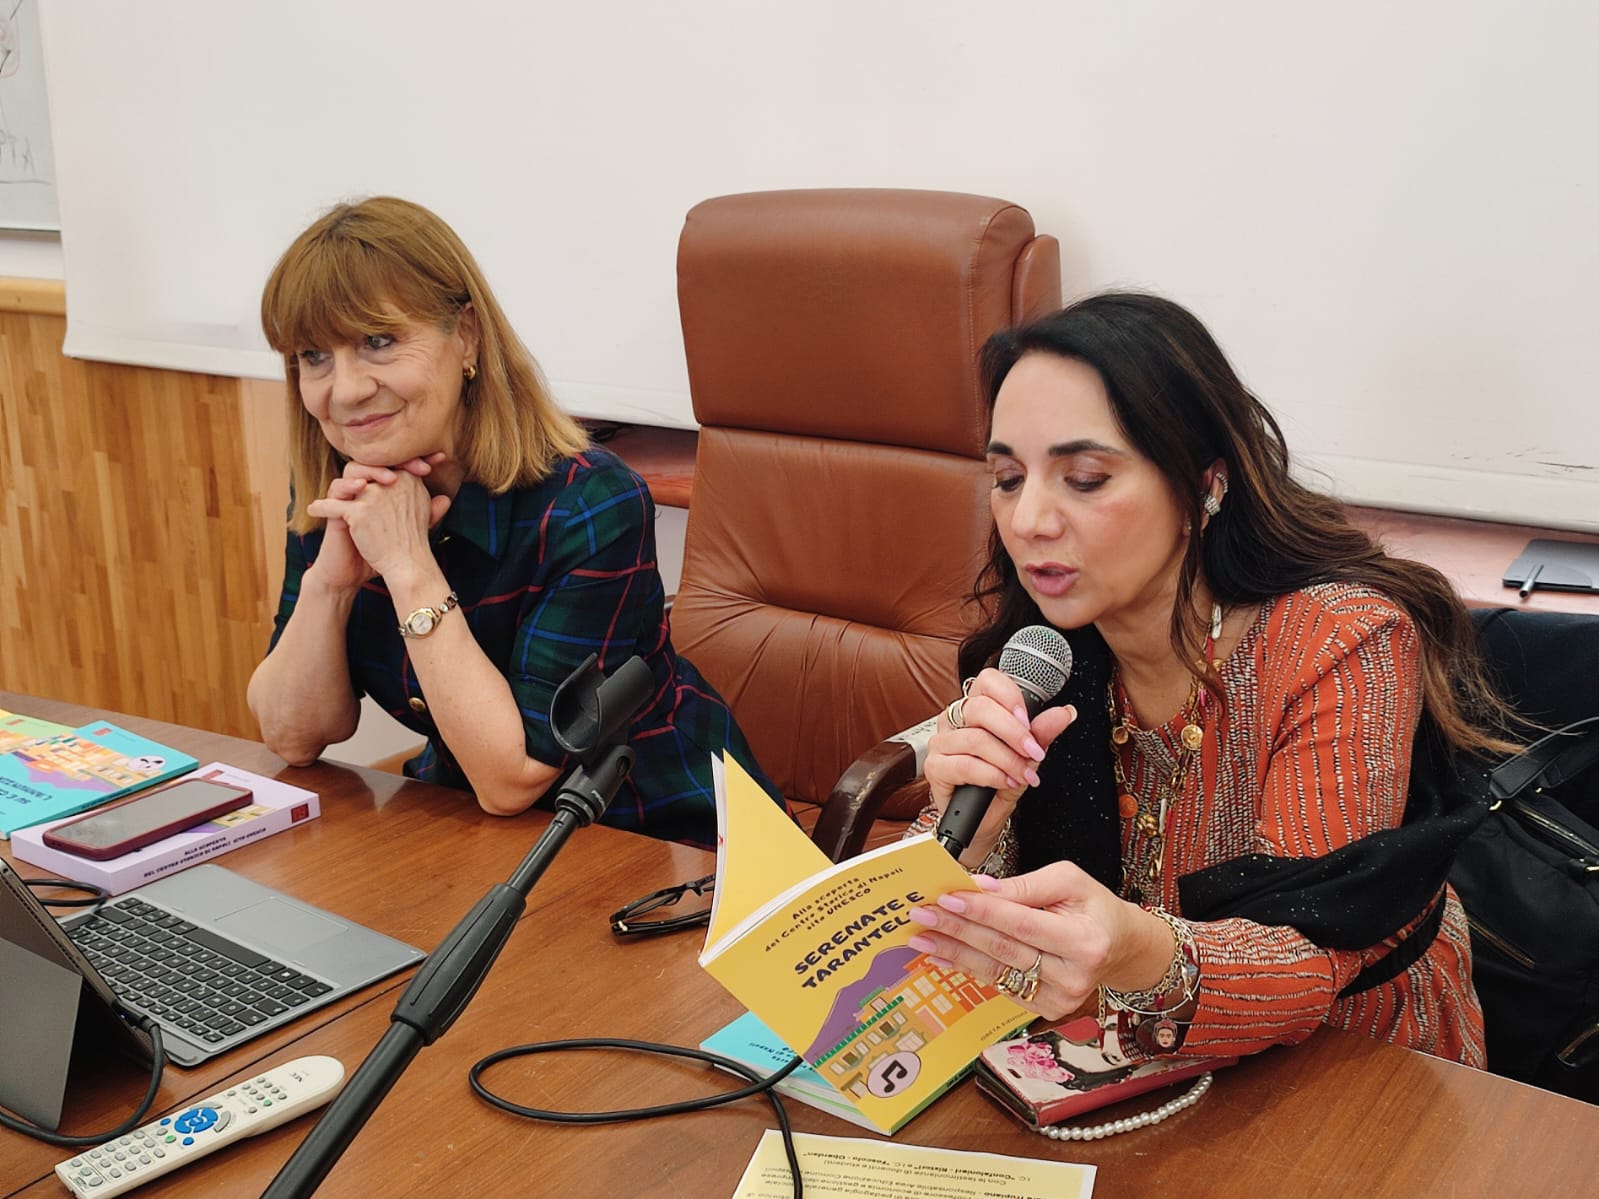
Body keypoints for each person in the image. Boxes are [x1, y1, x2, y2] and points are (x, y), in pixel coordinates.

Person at [903, 292, 1518, 1067]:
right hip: (1117, 1043)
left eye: (1083, 478)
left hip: (1350, 1062)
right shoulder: (1042, 652)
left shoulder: (1338, 642)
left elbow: (1312, 949)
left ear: (1205, 485)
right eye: (1007, 478)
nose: (1028, 520)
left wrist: (1137, 951)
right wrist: (967, 835)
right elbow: (916, 939)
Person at [246, 196, 780, 849]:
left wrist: (409, 566)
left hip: (658, 838)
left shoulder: (589, 502)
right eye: (314, 356)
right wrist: (331, 583)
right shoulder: (348, 488)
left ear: (466, 336)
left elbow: (513, 777)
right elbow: (293, 735)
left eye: (378, 342)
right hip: (478, 831)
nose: (346, 389)